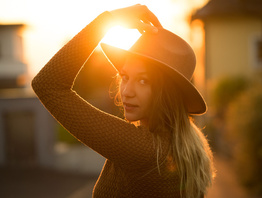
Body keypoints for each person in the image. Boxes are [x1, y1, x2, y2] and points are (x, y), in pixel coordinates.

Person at [32, 4, 214, 198]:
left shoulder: (144, 150)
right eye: (125, 76)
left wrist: (108, 20)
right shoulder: (189, 145)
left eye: (143, 81)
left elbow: (48, 85)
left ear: (168, 92)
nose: (126, 91)